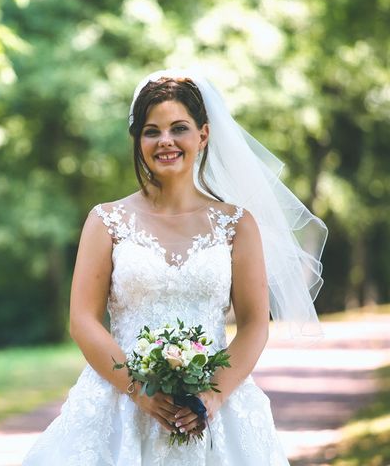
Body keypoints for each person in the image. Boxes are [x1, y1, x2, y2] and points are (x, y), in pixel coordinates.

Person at [23, 68, 327, 465]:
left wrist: (212, 396)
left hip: (210, 409)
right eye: (151, 131)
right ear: (138, 139)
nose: (165, 141)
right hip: (120, 404)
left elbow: (254, 323)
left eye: (178, 128)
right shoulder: (106, 221)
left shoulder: (237, 224)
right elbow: (82, 319)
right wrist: (138, 390)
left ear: (203, 134)